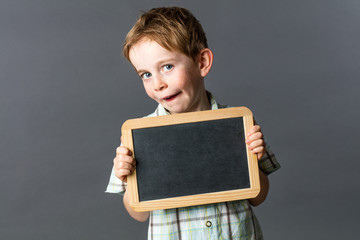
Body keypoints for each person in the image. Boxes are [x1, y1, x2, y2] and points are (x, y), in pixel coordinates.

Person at [106, 6, 280, 240]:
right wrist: (128, 177)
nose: (157, 84)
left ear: (202, 62)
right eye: (146, 74)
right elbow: (138, 214)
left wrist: (250, 160)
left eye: (167, 67)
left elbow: (258, 197)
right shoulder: (140, 137)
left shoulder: (236, 124)